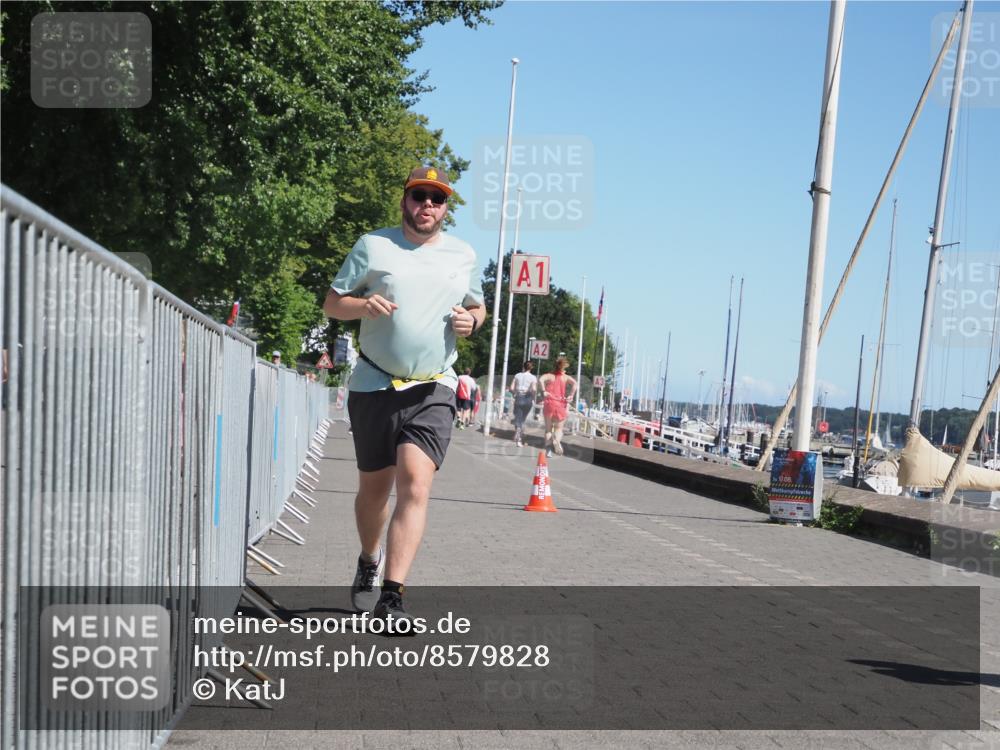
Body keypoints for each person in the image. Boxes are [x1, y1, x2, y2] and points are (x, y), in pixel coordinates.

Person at [323, 166, 485, 625]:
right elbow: (332, 302)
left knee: (415, 482)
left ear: (445, 207)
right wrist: (362, 305)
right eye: (419, 196)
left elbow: (478, 306)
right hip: (374, 383)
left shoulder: (462, 254)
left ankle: (392, 597)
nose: (427, 205)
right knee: (373, 493)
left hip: (434, 386)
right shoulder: (373, 245)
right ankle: (368, 558)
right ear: (405, 201)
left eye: (437, 198)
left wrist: (472, 322)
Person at [539, 356, 577, 456]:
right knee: (559, 429)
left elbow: (541, 379)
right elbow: (575, 384)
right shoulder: (566, 377)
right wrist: (571, 395)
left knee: (548, 429)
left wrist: (544, 391)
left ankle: (548, 451)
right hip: (560, 403)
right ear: (563, 368)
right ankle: (556, 441)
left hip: (549, 403)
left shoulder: (549, 375)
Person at [509, 361, 537, 447]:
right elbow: (534, 389)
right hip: (528, 398)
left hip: (518, 397)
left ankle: (518, 434)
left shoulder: (517, 375)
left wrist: (514, 394)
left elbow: (511, 388)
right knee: (523, 419)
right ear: (531, 367)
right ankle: (519, 438)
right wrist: (533, 398)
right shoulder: (533, 377)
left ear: (523, 367)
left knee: (518, 418)